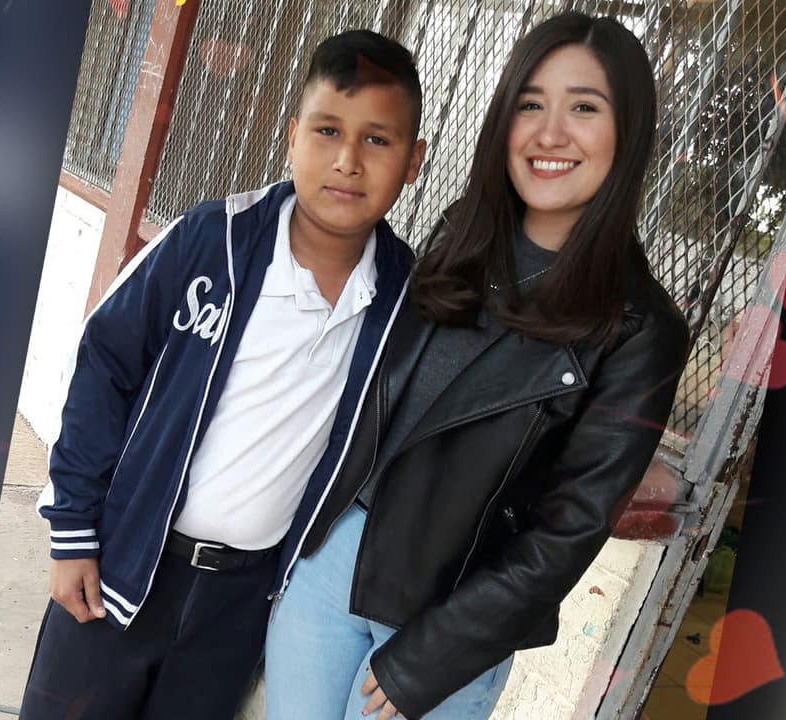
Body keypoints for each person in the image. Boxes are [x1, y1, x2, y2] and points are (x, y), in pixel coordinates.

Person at [264, 12, 690, 720]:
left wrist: (435, 657)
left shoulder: (640, 329)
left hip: (447, 615)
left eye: (584, 108)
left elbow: (568, 531)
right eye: (531, 105)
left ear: (630, 130)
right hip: (334, 563)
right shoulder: (464, 233)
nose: (550, 133)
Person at [20, 30, 427, 720]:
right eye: (328, 130)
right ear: (292, 137)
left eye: (378, 140)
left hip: (241, 607)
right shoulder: (212, 242)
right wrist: (72, 530)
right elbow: (102, 368)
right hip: (121, 568)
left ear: (414, 161)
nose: (348, 160)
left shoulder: (401, 302)